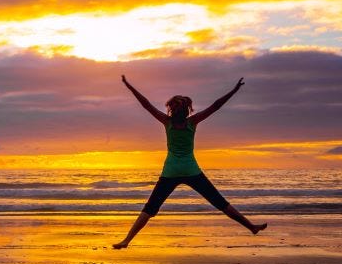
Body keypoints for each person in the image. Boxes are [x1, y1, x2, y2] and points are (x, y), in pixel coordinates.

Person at [114, 76, 266, 249]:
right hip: (191, 171)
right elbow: (216, 106)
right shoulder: (192, 122)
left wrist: (129, 86)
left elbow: (146, 104)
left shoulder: (167, 122)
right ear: (187, 110)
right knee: (220, 203)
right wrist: (234, 90)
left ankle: (126, 241)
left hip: (170, 172)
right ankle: (251, 227)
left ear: (172, 110)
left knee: (150, 208)